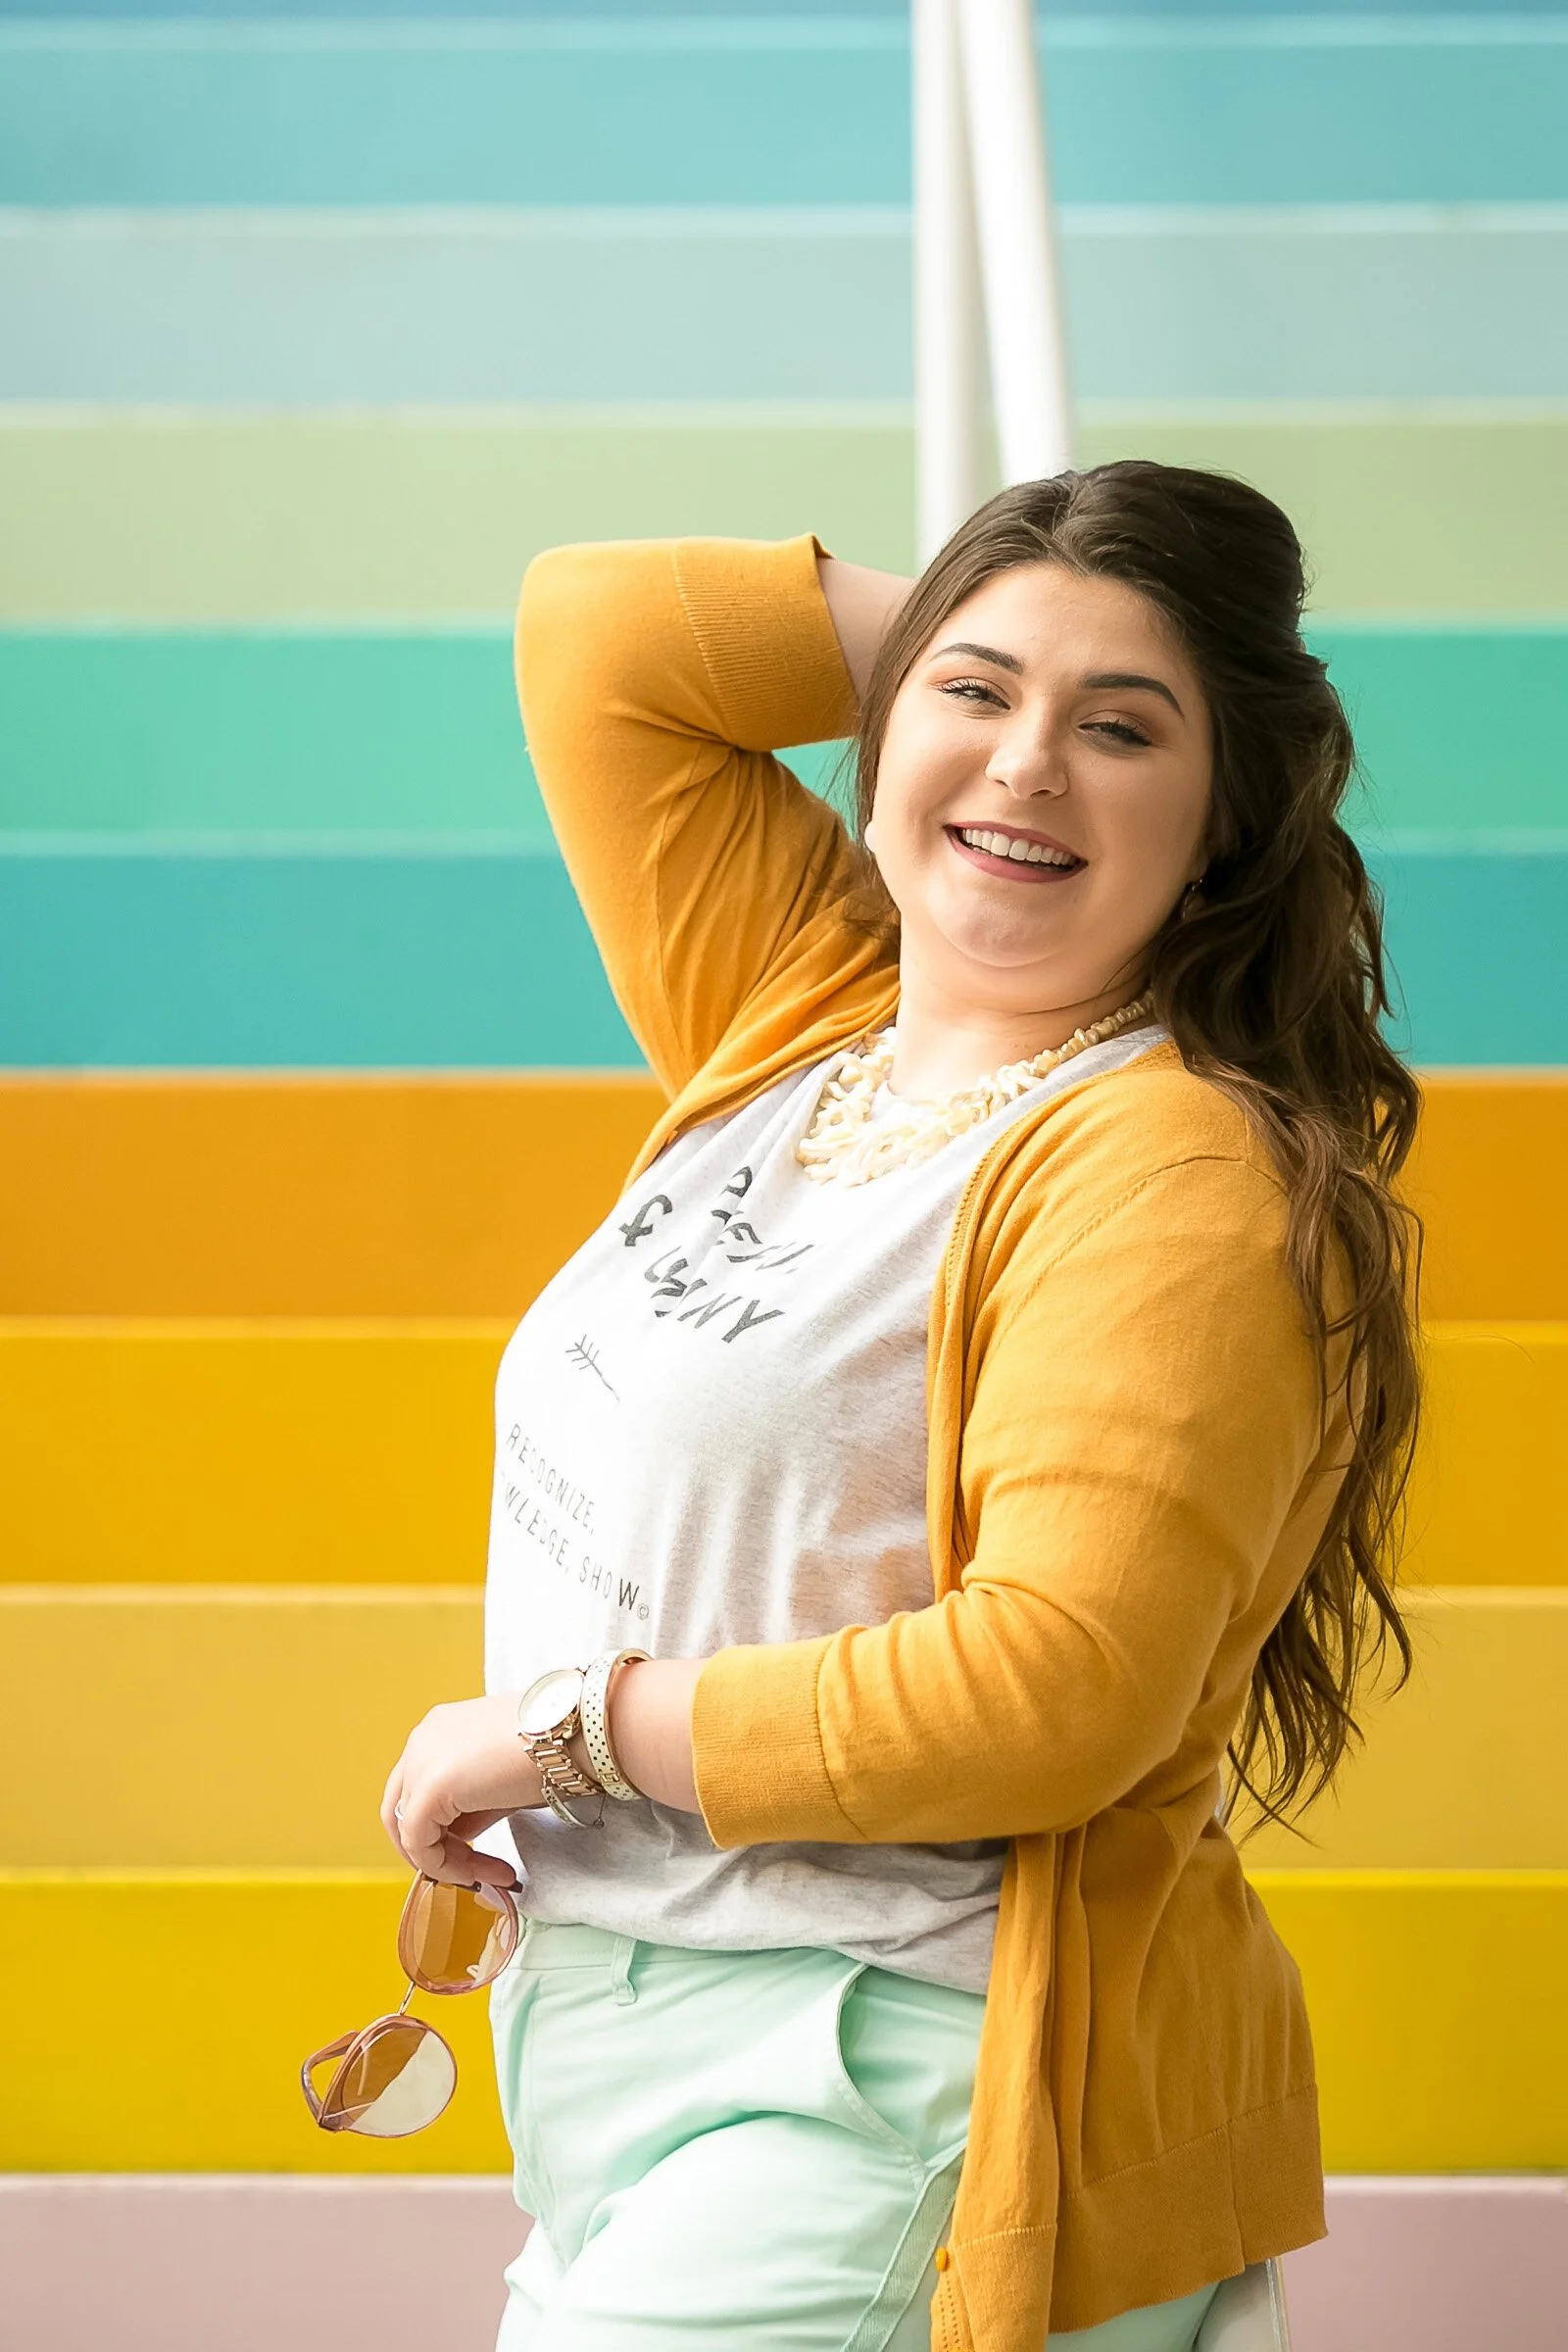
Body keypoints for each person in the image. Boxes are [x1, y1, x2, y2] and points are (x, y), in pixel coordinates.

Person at [380, 462, 1421, 2352]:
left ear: (1226, 823)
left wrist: (572, 1732)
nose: (1028, 765)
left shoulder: (1169, 1167)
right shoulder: (803, 1011)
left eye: (1125, 733)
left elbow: (1055, 1688)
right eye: (975, 695)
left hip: (885, 2071)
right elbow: (599, 639)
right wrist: (1026, 635)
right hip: (620, 2050)